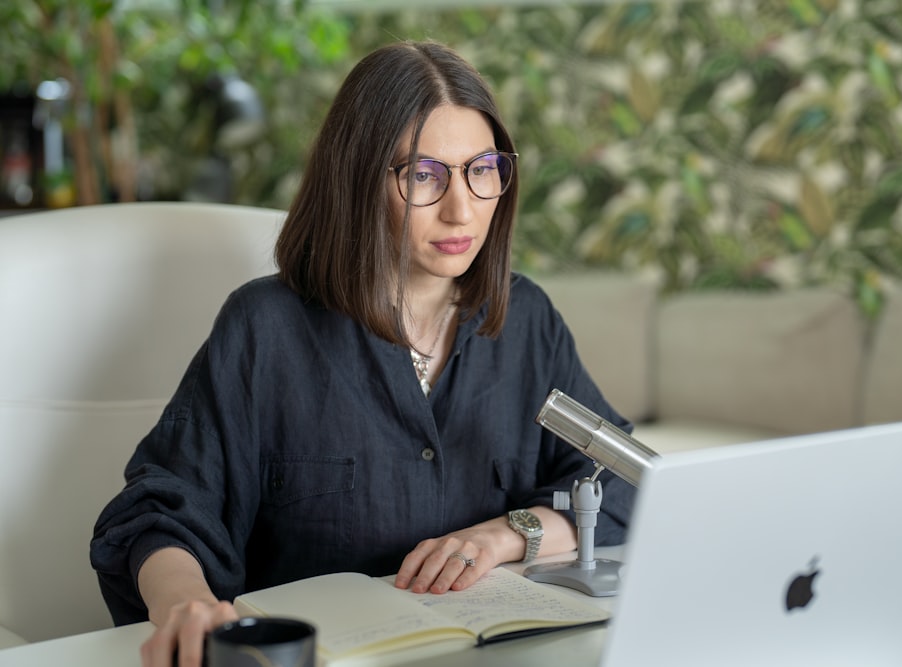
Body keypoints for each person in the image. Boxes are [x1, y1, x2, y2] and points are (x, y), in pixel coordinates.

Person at [90, 40, 636, 667]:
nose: (462, 208)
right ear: (357, 179)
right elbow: (161, 510)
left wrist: (509, 534)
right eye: (423, 175)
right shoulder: (266, 329)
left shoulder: (526, 318)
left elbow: (628, 479)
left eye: (481, 169)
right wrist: (184, 599)